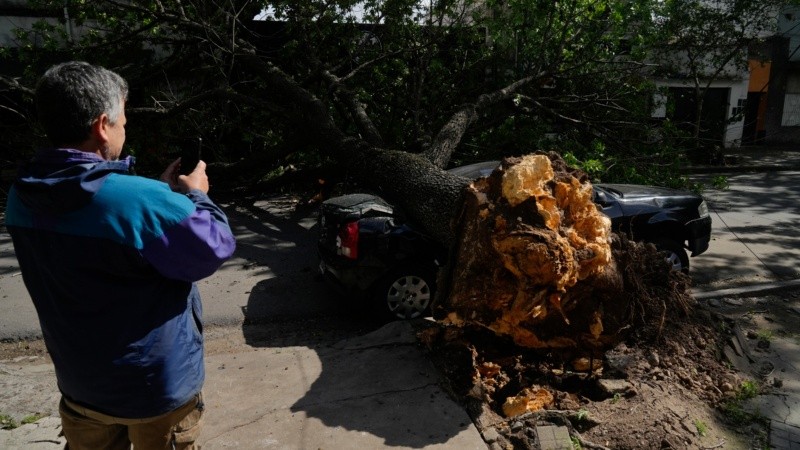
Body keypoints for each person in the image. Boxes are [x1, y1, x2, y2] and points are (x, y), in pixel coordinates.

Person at [4, 61, 236, 449]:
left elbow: (100, 224)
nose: (124, 130)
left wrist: (157, 196)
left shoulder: (21, 197)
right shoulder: (139, 201)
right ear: (101, 125)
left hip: (81, 387)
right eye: (123, 122)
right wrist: (196, 195)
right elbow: (212, 248)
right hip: (152, 393)